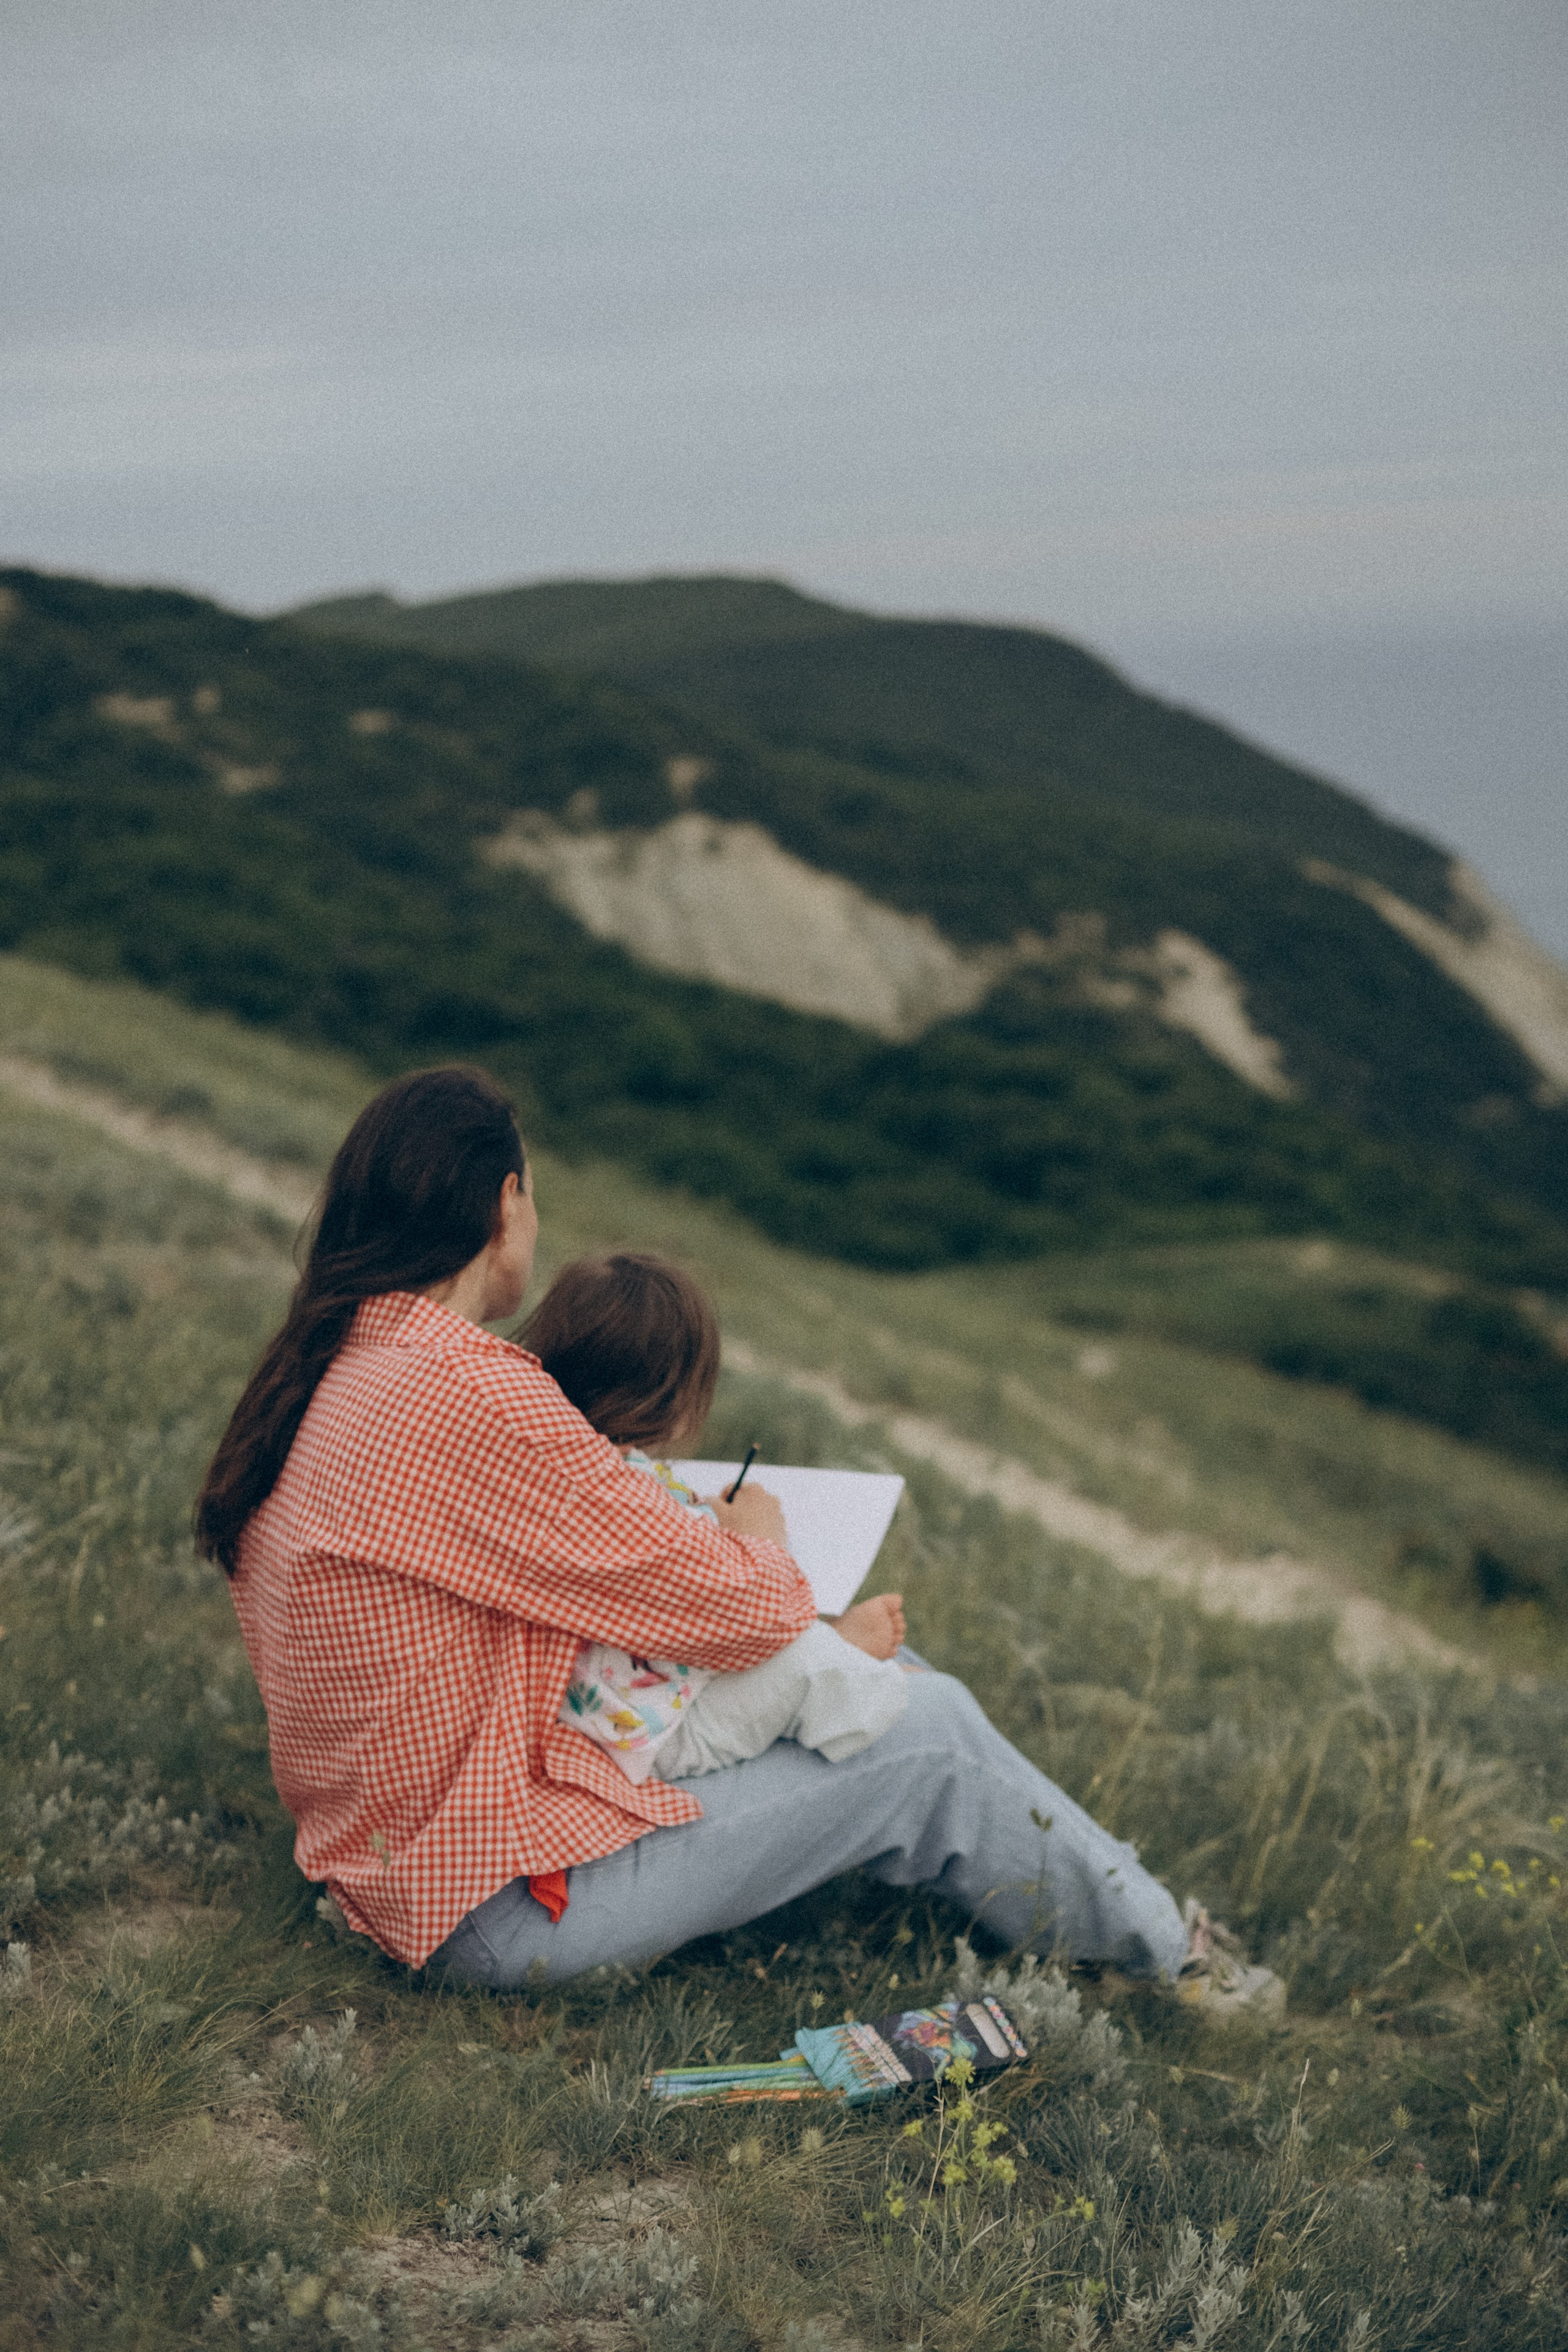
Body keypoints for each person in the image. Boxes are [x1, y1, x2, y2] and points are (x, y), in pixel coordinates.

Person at [195, 1065, 1276, 2012]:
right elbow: (749, 1610)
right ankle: (1169, 1959)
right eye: (534, 1200)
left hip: (393, 1863)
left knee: (882, 1679)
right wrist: (760, 1535)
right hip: (488, 1909)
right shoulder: (470, 1395)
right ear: (503, 1204)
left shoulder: (346, 1363)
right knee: (931, 1731)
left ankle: (1082, 1900)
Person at [518, 1251, 911, 1786]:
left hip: (601, 1702)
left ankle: (838, 1646)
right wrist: (762, 1538)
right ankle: (854, 1664)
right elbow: (751, 1612)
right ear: (678, 1397)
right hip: (645, 1734)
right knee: (807, 1657)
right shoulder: (643, 1505)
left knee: (784, 1644)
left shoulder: (551, 1456)